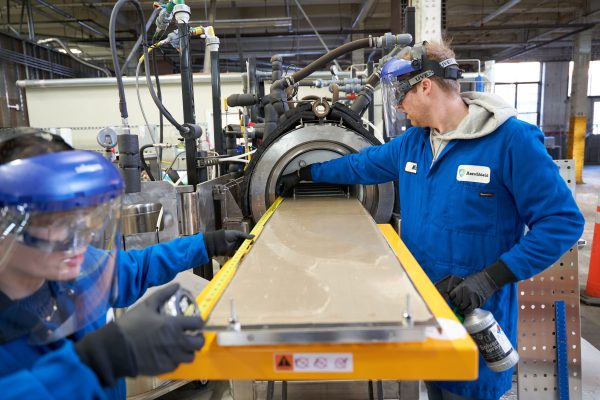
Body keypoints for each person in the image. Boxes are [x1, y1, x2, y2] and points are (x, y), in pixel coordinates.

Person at [277, 41, 585, 400]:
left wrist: (491, 278)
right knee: (433, 388)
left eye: (401, 96)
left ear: (426, 86)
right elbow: (361, 164)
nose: (397, 106)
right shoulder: (413, 144)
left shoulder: (511, 140)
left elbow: (562, 222)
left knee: (468, 392)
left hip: (477, 310)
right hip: (423, 307)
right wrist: (307, 173)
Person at [0, 128, 252, 399]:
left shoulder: (79, 269)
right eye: (57, 222)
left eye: (83, 218)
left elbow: (138, 266)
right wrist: (102, 359)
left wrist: (206, 244)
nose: (80, 237)